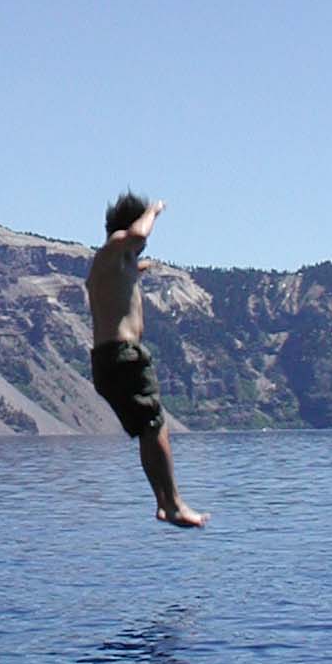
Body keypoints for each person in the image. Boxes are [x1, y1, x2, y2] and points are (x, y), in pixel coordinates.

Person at [86, 192, 209, 528]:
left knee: (149, 427)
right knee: (154, 427)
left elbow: (126, 271)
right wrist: (154, 210)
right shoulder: (115, 245)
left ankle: (164, 503)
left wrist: (142, 268)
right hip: (123, 357)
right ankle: (172, 504)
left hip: (110, 360)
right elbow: (137, 235)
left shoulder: (114, 264)